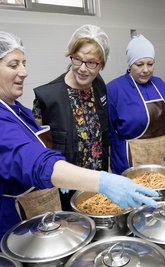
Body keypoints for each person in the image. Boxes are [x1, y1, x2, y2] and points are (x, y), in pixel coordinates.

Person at [0, 31, 158, 252]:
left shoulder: (13, 108)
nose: (24, 72)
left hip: (39, 209)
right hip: (10, 218)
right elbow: (35, 161)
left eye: (24, 63)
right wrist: (103, 181)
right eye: (13, 65)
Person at [32, 24, 109, 210]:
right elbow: (37, 147)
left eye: (91, 63)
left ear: (101, 64)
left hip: (97, 183)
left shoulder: (98, 85)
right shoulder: (48, 97)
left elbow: (102, 134)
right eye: (77, 60)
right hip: (66, 185)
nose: (83, 69)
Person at [107, 35, 165, 175]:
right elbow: (109, 132)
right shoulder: (115, 89)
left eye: (150, 64)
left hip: (163, 158)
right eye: (139, 64)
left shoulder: (159, 84)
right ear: (130, 65)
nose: (146, 70)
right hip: (131, 161)